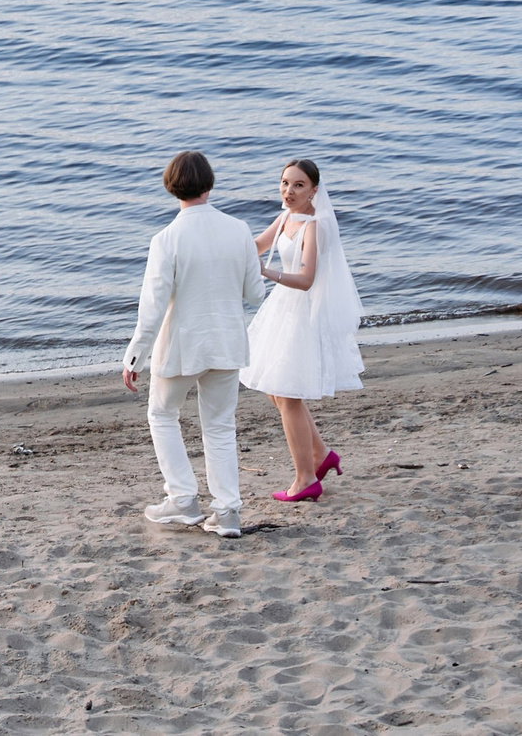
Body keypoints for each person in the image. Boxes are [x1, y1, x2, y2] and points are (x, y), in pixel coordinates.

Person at [123, 149, 268, 539]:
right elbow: (255, 293)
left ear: (172, 187)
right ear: (209, 183)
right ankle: (227, 512)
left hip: (183, 346)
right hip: (226, 342)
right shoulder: (238, 229)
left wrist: (134, 356)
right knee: (220, 427)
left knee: (162, 415)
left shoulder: (166, 238)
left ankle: (183, 499)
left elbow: (152, 308)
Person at [240, 157, 364, 502]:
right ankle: (321, 455)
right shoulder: (285, 217)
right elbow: (256, 247)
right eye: (284, 183)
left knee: (287, 392)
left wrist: (267, 274)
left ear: (314, 190)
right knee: (273, 389)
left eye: (298, 185)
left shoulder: (315, 225)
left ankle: (305, 477)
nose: (289, 191)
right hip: (281, 309)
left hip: (304, 312)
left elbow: (307, 280)